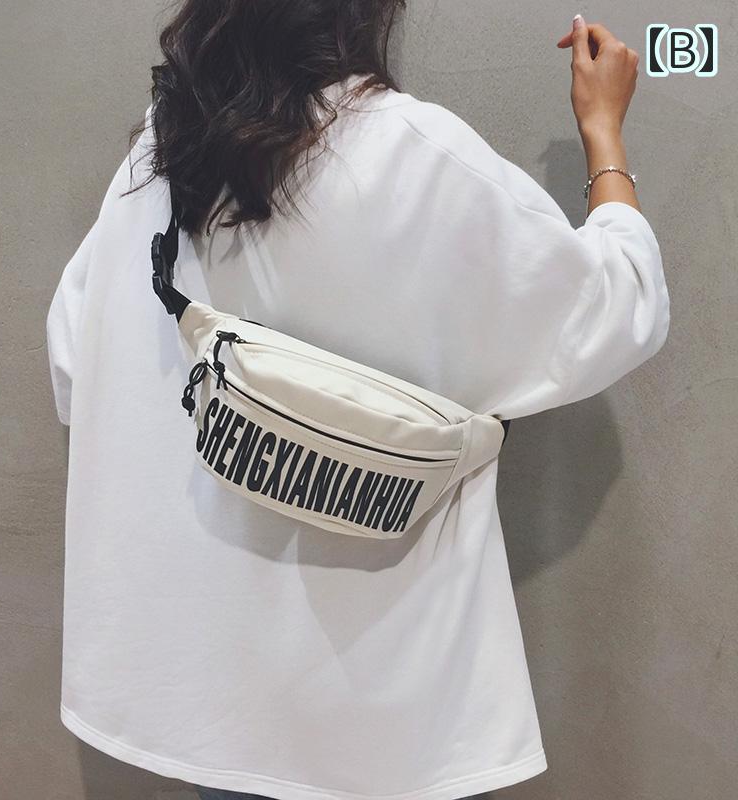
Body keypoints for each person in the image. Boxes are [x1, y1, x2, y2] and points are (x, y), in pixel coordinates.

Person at [45, 5, 669, 799]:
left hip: (207, 688)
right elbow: (615, 311)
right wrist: (604, 134)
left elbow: (74, 357)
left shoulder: (166, 152)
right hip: (369, 694)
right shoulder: (416, 154)